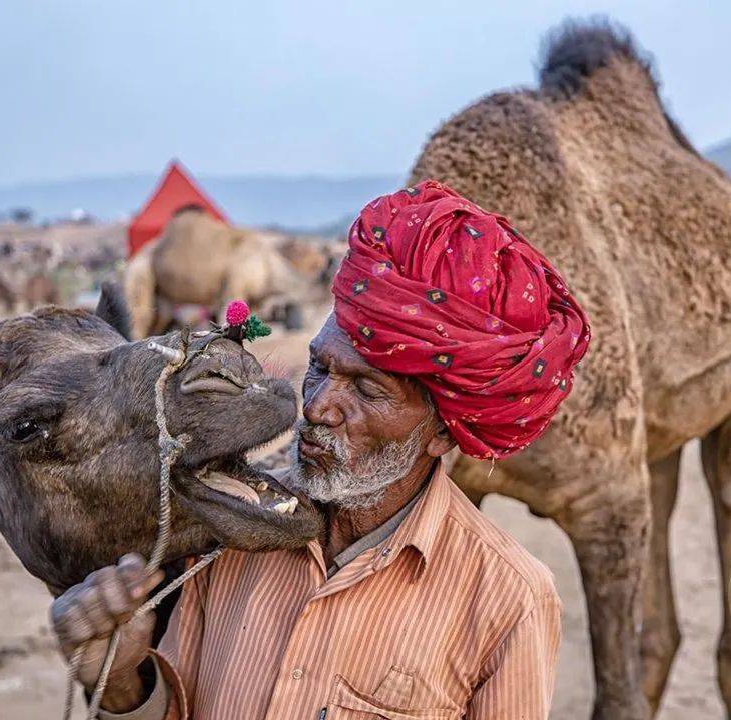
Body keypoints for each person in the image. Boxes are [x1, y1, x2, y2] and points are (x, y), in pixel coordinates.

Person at [50, 181, 591, 719]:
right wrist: (120, 680)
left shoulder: (507, 600)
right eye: (319, 368)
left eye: (367, 389)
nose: (316, 407)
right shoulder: (229, 520)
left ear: (443, 432)